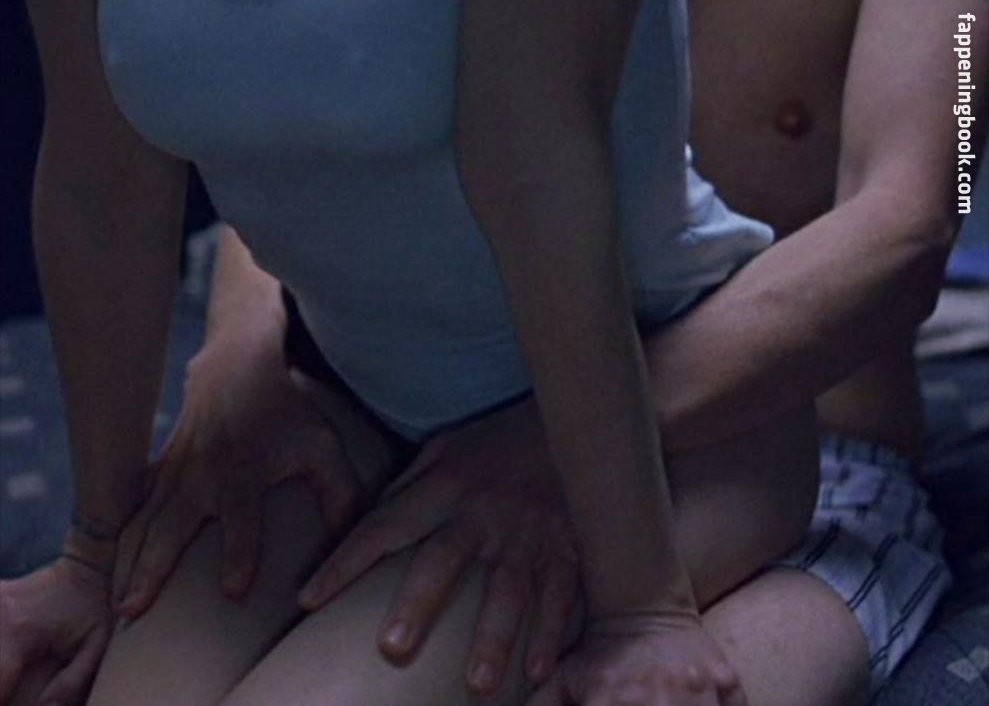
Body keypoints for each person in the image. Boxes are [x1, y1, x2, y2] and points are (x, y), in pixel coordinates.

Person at [0, 1, 984, 706]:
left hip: (772, 446)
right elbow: (300, 137)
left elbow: (912, 226)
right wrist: (242, 348)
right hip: (379, 382)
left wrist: (552, 440)